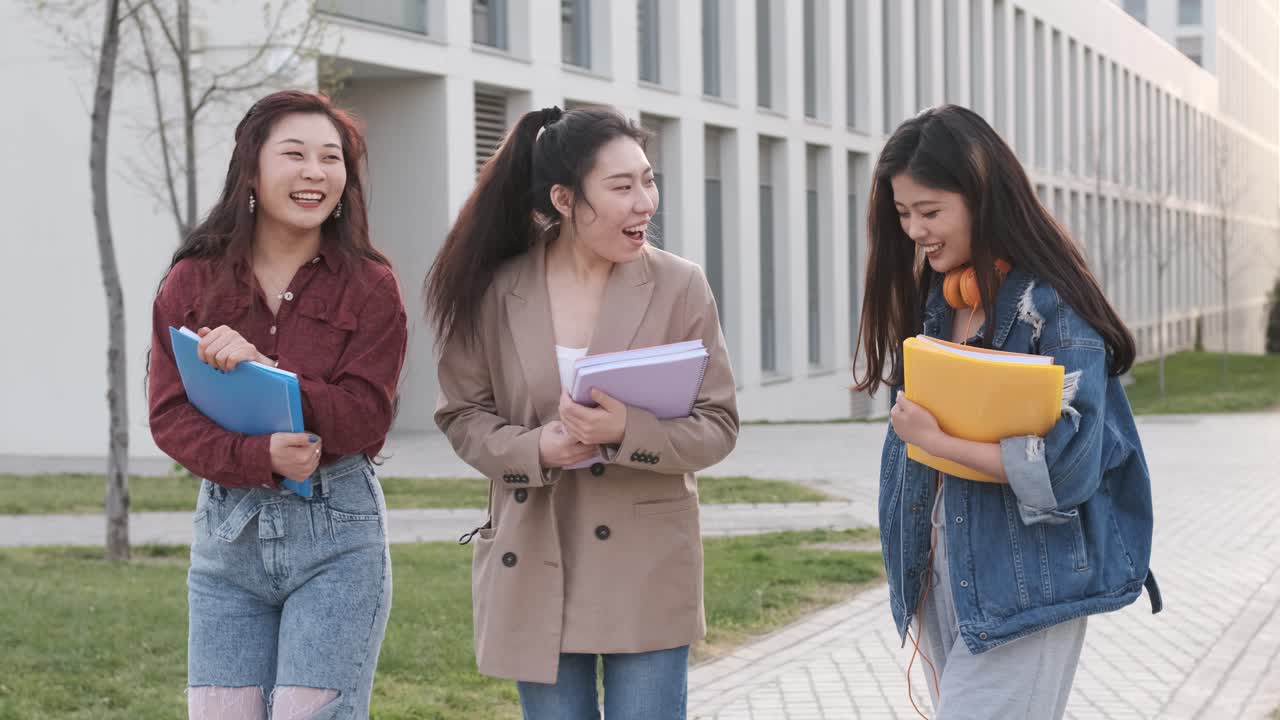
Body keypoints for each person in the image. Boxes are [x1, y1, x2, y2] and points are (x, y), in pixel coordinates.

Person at [427, 105, 739, 719]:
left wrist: (627, 430)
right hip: (536, 554)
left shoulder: (681, 285)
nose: (645, 202)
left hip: (646, 562)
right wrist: (535, 448)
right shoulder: (496, 288)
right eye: (621, 187)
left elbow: (719, 425)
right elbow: (462, 414)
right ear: (565, 199)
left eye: (648, 179)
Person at [854, 104, 1161, 719]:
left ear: (983, 198)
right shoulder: (938, 302)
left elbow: (1066, 472)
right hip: (941, 571)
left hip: (1027, 581)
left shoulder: (1055, 307)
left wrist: (935, 439)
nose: (915, 230)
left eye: (931, 211)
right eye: (903, 214)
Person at [148, 90, 407, 720]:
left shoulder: (371, 285)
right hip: (226, 539)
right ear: (252, 172)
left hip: (338, 537)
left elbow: (367, 418)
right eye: (294, 154)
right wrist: (255, 454)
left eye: (332, 158)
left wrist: (270, 376)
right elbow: (169, 415)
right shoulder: (193, 281)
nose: (315, 171)